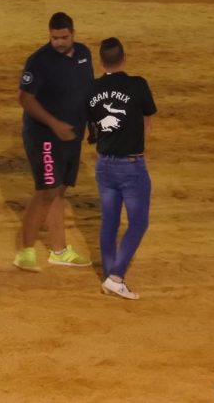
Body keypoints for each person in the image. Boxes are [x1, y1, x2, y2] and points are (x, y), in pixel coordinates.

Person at [13, 12, 93, 273]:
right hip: (44, 137)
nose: (58, 42)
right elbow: (25, 98)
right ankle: (25, 251)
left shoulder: (84, 54)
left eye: (63, 37)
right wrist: (54, 124)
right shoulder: (39, 61)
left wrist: (91, 123)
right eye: (54, 38)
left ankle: (59, 251)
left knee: (59, 190)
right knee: (46, 191)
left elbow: (87, 90)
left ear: (73, 34)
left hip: (72, 135)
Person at [86, 37, 157, 300]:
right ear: (124, 59)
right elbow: (147, 121)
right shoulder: (138, 85)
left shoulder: (92, 89)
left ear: (101, 62)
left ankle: (109, 276)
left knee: (110, 222)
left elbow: (92, 127)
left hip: (104, 164)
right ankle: (116, 277)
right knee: (138, 222)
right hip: (131, 165)